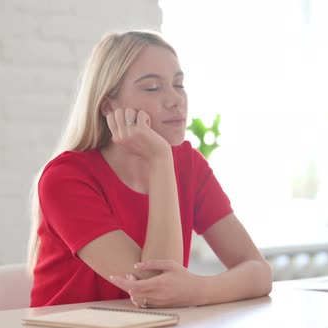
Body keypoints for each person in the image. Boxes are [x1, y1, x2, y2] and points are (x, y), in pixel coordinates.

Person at [27, 30, 273, 309]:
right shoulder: (65, 179)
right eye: (153, 88)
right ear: (108, 105)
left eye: (179, 85)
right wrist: (160, 160)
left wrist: (199, 290)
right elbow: (153, 291)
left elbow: (259, 272)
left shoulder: (188, 164)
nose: (175, 100)